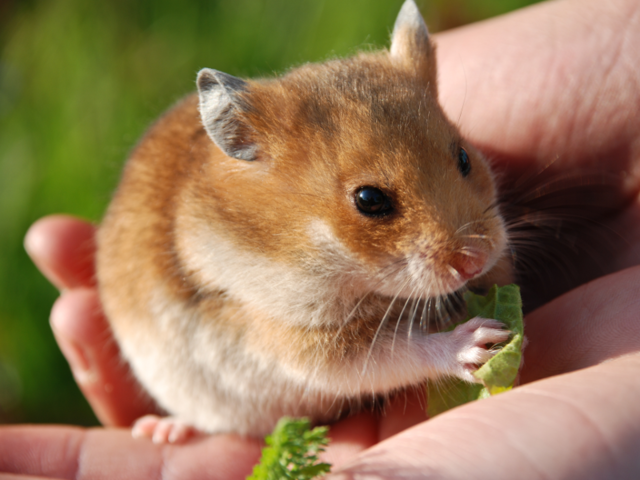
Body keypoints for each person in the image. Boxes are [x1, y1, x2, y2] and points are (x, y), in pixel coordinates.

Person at [4, 0, 640, 477]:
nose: (470, 251)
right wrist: (436, 353)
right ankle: (195, 423)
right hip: (205, 360)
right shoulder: (260, 242)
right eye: (374, 204)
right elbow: (309, 352)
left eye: (463, 165)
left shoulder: (406, 104)